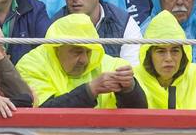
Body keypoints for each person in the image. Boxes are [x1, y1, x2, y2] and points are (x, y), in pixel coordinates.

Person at [15, 12, 145, 107]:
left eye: (88, 52)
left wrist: (130, 88)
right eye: (76, 51)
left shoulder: (113, 65)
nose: (84, 60)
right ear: (57, 48)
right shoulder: (31, 65)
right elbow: (44, 113)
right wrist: (90, 90)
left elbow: (140, 114)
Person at [132, 10, 196, 109]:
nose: (169, 59)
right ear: (149, 54)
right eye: (161, 51)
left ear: (184, 53)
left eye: (175, 51)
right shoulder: (134, 80)